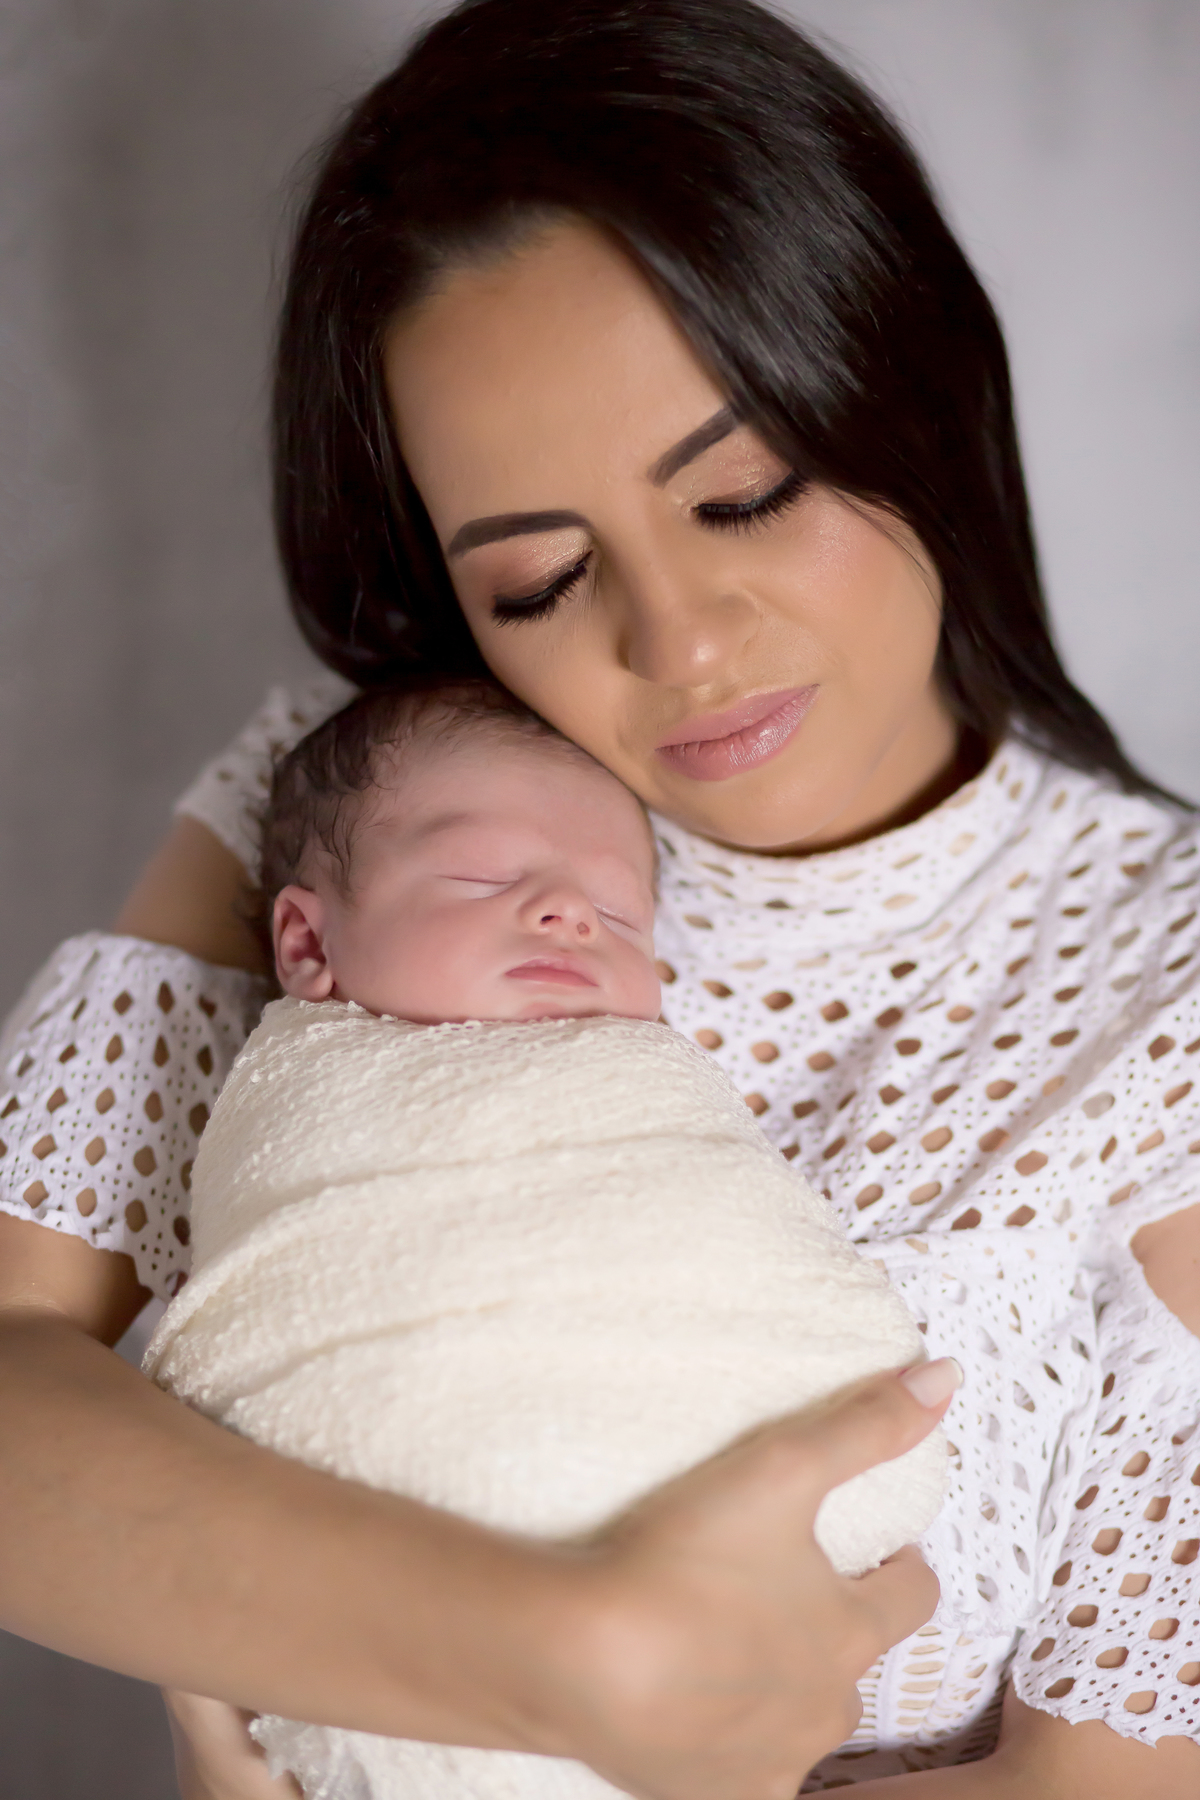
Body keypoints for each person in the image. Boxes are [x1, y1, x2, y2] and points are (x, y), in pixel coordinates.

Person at [0, 0, 1197, 1794]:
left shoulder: (1163, 982)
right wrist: (558, 1661)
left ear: (906, 384)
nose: (684, 644)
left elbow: (1103, 1779)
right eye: (541, 580)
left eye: (746, 492)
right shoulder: (367, 807)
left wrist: (281, 1622)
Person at [148, 675, 947, 1799]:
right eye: (483, 874)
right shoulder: (307, 1094)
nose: (571, 913)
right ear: (308, 944)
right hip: (412, 1564)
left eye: (621, 916)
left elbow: (740, 1243)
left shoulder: (651, 1086)